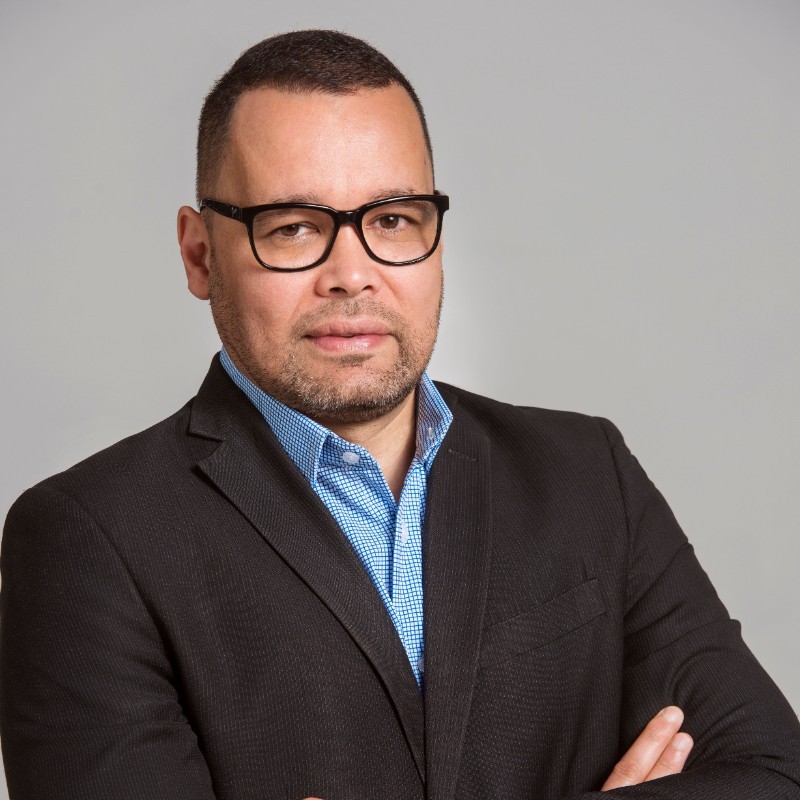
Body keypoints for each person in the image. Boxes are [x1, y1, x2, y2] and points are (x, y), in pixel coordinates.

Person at [1, 29, 798, 800]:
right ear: (199, 253)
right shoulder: (87, 541)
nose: (352, 275)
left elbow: (775, 774)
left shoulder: (588, 471)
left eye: (391, 220)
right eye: (294, 228)